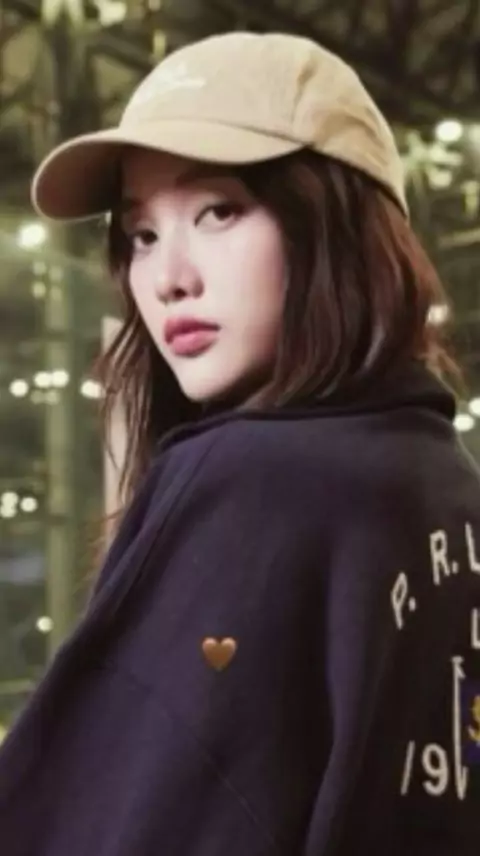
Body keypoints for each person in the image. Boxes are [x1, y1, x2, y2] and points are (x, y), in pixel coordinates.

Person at [0, 29, 479, 856]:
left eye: (218, 211)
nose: (167, 278)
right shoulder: (449, 484)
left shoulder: (254, 478)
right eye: (142, 234)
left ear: (334, 224)